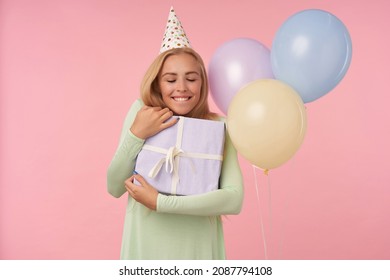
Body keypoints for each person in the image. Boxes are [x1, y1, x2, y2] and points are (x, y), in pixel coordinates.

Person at [107, 7, 243, 260]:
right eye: (170, 80)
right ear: (157, 82)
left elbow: (233, 200)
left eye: (191, 78)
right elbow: (114, 186)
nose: (181, 88)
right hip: (145, 251)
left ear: (202, 82)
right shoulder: (141, 113)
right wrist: (136, 134)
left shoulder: (220, 126)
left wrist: (162, 203)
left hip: (198, 252)